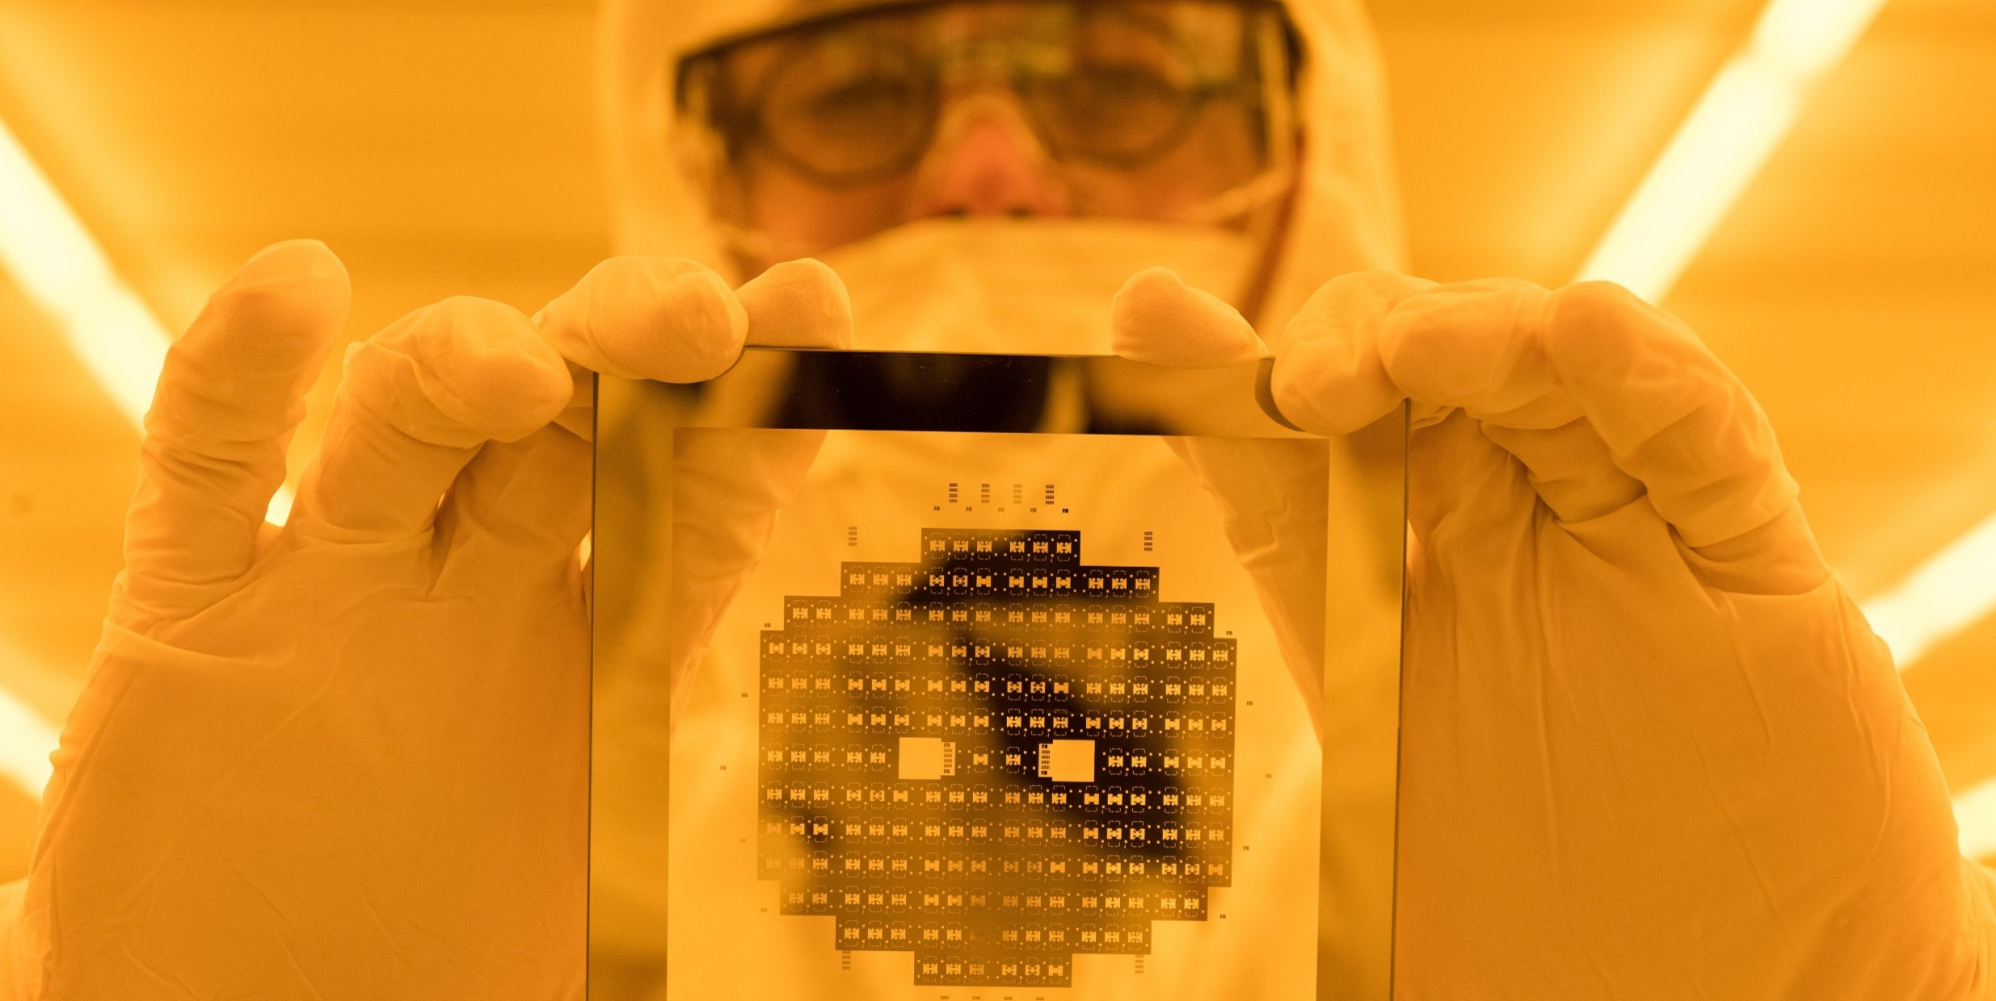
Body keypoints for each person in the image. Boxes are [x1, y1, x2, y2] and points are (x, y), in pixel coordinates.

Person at [2, 0, 1990, 998]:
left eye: (1117, 68)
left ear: (1304, 142)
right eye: (856, 91)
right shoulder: (399, 771)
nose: (989, 171)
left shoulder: (1620, 752)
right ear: (704, 177)